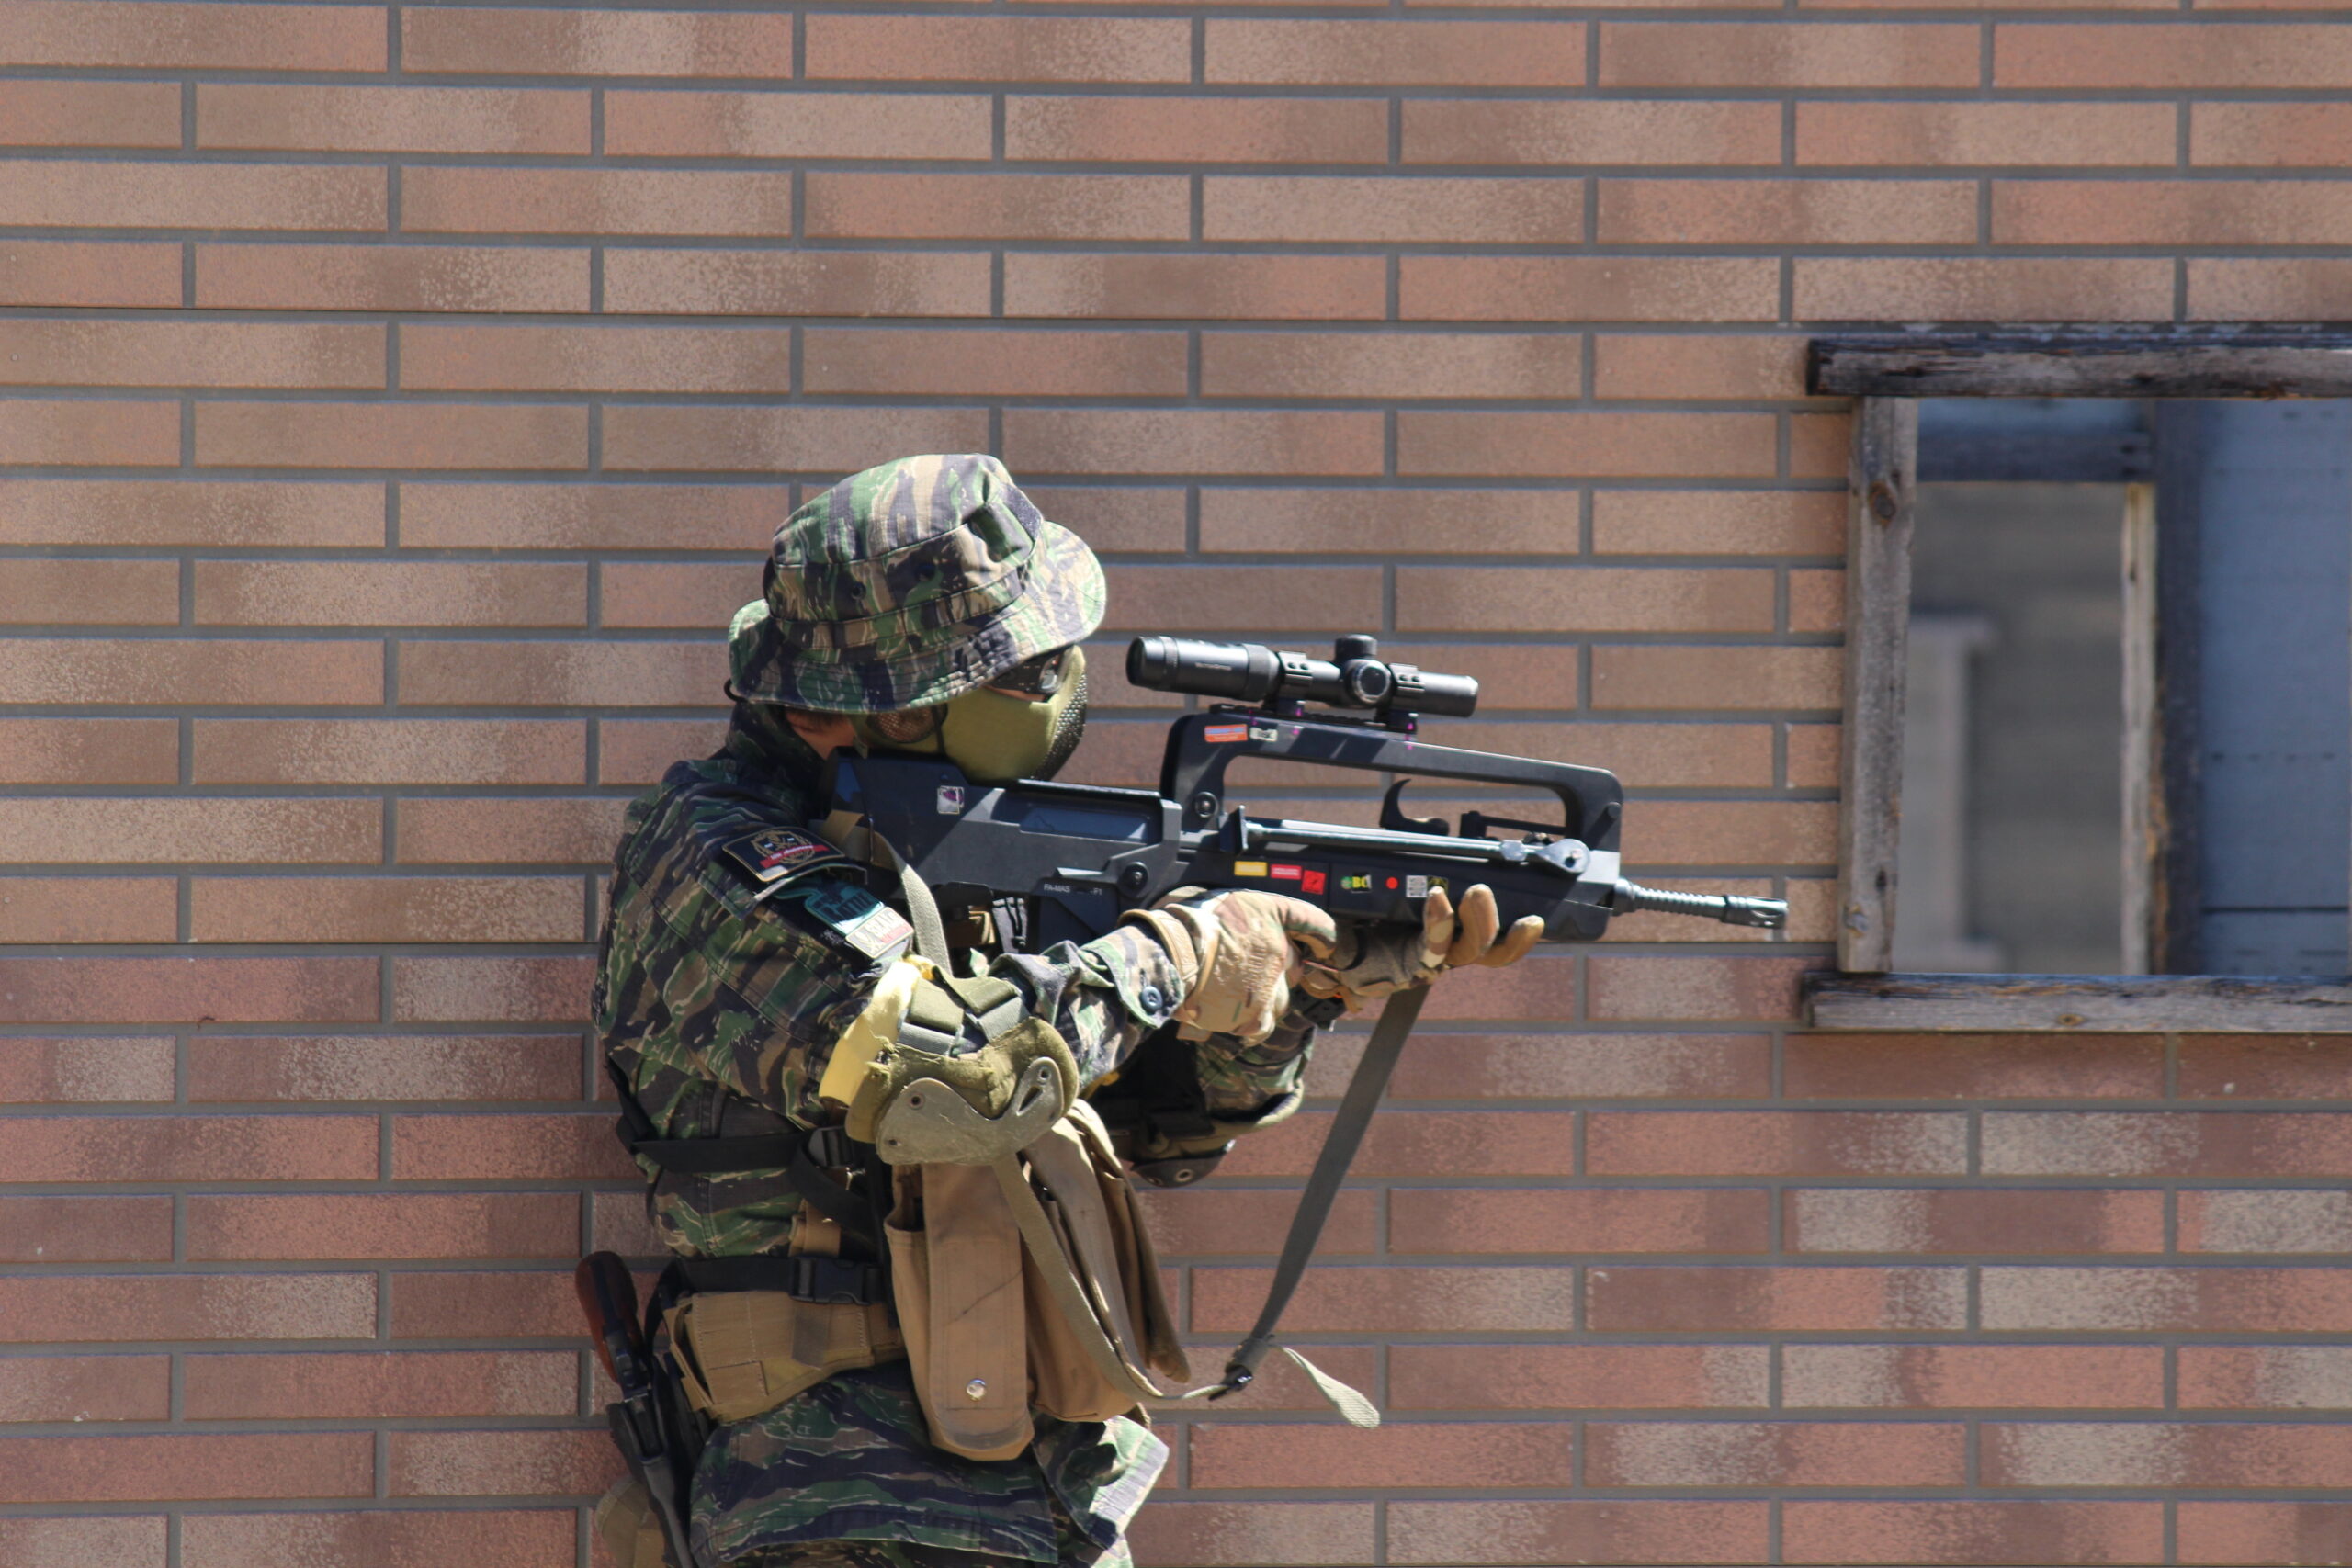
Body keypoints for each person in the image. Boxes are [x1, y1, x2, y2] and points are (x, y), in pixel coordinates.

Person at [592, 453, 1538, 1568]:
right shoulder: (716, 859)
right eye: (1023, 669)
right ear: (849, 712)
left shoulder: (945, 861)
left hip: (1045, 1483)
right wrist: (1178, 952)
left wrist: (1298, 989)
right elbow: (953, 1084)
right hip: (841, 1499)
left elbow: (1157, 1135)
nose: (1057, 683)